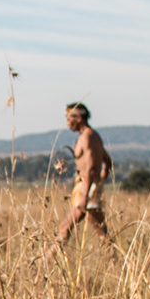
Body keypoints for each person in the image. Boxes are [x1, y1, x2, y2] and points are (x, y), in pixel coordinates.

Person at [55, 101, 114, 247]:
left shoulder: (88, 137)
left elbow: (91, 167)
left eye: (69, 119)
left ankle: (45, 260)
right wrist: (99, 183)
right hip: (87, 186)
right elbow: (107, 162)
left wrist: (86, 193)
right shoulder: (90, 136)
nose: (68, 124)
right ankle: (116, 261)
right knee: (101, 232)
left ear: (79, 119)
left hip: (86, 187)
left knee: (66, 226)